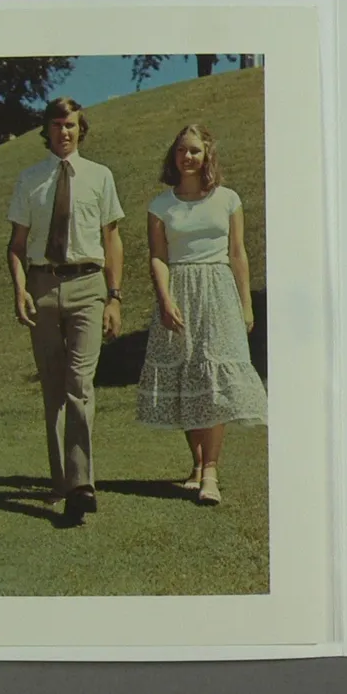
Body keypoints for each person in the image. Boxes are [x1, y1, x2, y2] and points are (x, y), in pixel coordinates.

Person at [6, 97, 126, 525]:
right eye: (57, 125)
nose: (65, 132)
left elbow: (112, 240)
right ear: (47, 129)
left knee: (80, 383)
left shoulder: (99, 177)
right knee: (54, 388)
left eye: (72, 125)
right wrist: (21, 289)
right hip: (42, 287)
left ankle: (81, 484)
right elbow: (16, 247)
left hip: (88, 286)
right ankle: (61, 480)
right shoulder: (30, 180)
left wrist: (114, 296)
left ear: (81, 129)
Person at [135, 124, 267, 505]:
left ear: (207, 154)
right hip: (180, 291)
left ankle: (211, 471)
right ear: (173, 157)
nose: (187, 157)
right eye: (181, 151)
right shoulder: (161, 205)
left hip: (219, 290)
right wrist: (164, 299)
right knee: (186, 376)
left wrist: (246, 304)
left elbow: (238, 253)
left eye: (194, 151)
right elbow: (158, 256)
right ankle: (196, 463)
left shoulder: (227, 199)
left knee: (214, 380)